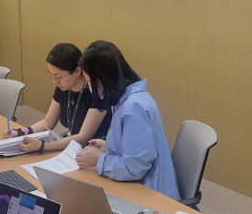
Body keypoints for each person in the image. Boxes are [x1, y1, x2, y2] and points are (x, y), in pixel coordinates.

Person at [75, 40, 180, 200]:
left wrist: (100, 159)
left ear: (101, 80)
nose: (88, 87)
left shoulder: (134, 107)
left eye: (88, 82)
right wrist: (108, 147)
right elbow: (136, 148)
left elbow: (135, 167)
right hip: (137, 183)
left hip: (149, 194)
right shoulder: (124, 100)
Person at [4, 43, 111, 154]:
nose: (55, 82)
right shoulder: (63, 88)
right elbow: (48, 122)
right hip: (71, 143)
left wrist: (42, 146)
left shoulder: (96, 92)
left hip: (96, 149)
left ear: (77, 71)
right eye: (52, 76)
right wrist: (20, 132)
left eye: (59, 77)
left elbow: (83, 137)